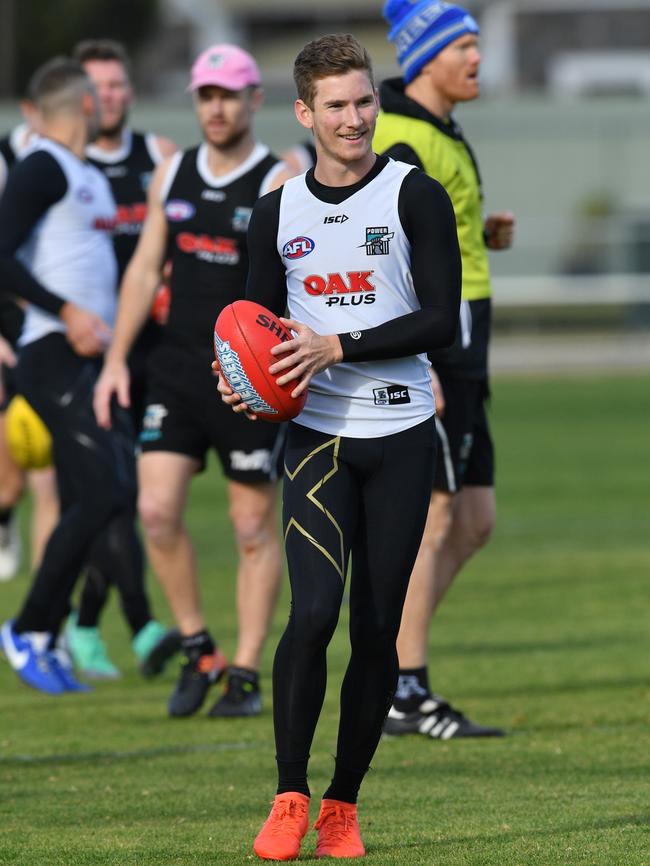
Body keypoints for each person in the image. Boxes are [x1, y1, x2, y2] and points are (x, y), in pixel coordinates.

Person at [216, 33, 461, 860]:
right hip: (318, 440)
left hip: (399, 436)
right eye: (336, 106)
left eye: (363, 101)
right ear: (304, 113)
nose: (354, 118)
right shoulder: (276, 209)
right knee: (312, 613)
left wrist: (339, 345)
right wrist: (242, 383)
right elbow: (251, 327)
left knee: (376, 628)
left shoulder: (412, 195)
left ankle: (342, 805)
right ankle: (289, 794)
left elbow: (441, 320)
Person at [94, 44, 291, 718]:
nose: (216, 107)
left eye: (229, 94)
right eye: (206, 95)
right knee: (156, 511)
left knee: (250, 526)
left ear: (254, 101)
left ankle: (243, 670)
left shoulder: (277, 178)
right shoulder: (171, 171)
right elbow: (146, 271)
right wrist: (118, 358)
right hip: (176, 370)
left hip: (247, 380)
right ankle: (198, 647)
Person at [373, 0, 515, 739]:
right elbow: (389, 254)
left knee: (475, 520)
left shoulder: (440, 131)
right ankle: (403, 687)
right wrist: (416, 357)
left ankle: (391, 654)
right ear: (424, 55)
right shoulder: (401, 140)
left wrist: (481, 231)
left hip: (466, 353)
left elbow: (438, 230)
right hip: (437, 353)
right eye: (465, 47)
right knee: (434, 518)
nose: (477, 59)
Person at [0, 57, 156, 695]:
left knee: (114, 492)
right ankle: (30, 627)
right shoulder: (41, 164)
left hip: (92, 361)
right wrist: (62, 311)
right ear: (87, 106)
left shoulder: (85, 173)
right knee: (100, 492)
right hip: (50, 354)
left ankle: (44, 628)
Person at [60, 38, 179, 680]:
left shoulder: (158, 157)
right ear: (79, 96)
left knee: (127, 497)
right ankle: (138, 627)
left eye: (118, 85)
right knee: (112, 493)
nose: (109, 97)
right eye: (98, 86)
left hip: (152, 356)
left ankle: (81, 624)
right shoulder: (63, 167)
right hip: (87, 357)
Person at [0, 104, 60, 581]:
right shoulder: (7, 159)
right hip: (5, 332)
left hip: (44, 333)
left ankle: (45, 617)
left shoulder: (71, 164)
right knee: (7, 479)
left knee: (48, 477)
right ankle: (3, 516)